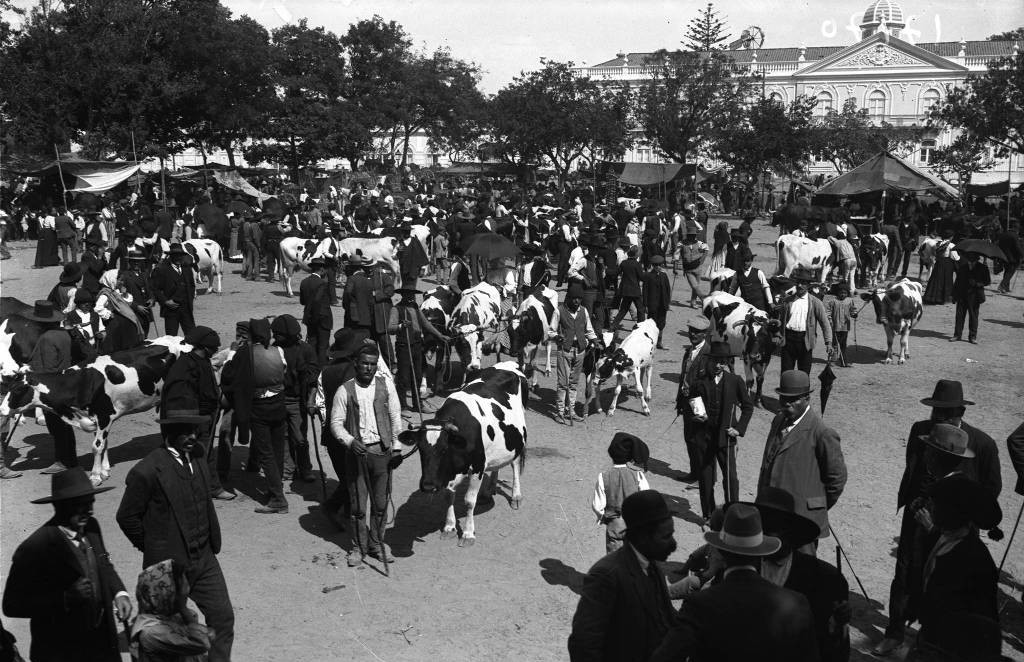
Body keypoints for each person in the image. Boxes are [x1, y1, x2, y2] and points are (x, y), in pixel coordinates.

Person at [875, 381, 1002, 656]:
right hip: (917, 516)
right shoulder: (920, 431)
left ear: (960, 414)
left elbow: (991, 489)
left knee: (945, 583)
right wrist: (914, 503)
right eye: (936, 412)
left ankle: (931, 639)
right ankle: (895, 632)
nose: (938, 419)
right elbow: (913, 468)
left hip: (955, 528)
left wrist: (962, 513)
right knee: (905, 573)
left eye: (944, 414)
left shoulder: (983, 444)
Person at [116, 411, 234, 662]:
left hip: (204, 557)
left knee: (222, 618)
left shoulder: (199, 455)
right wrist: (153, 546)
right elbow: (126, 517)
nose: (193, 436)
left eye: (195, 431)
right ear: (169, 434)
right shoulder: (146, 470)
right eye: (185, 432)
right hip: (168, 569)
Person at [650, 503, 819, 662]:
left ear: (721, 551)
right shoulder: (797, 603)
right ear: (762, 553)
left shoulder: (700, 604)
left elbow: (666, 656)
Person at [3, 468, 133, 662]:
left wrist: (119, 593)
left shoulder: (92, 527)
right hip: (61, 651)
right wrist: (64, 598)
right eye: (81, 506)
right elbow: (12, 606)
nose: (90, 511)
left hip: (101, 646)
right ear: (61, 506)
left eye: (91, 503)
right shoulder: (35, 548)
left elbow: (103, 564)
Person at [568, 490, 676, 662]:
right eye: (666, 536)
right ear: (643, 537)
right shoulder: (606, 576)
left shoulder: (653, 566)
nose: (673, 545)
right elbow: (583, 645)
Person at [910, 475, 1002, 661]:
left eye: (936, 505)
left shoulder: (974, 558)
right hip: (934, 639)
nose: (931, 508)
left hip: (953, 650)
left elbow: (982, 621)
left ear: (952, 512)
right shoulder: (946, 538)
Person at [329, 341, 404, 567]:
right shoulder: (345, 390)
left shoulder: (386, 386)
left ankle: (376, 544)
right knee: (358, 507)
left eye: (372, 364)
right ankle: (358, 547)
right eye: (364, 364)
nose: (368, 368)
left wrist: (397, 447)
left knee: (380, 504)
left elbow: (395, 417)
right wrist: (350, 442)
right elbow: (335, 424)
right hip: (357, 456)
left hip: (382, 453)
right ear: (356, 364)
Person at [754, 487, 850, 662]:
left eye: (774, 529)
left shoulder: (824, 578)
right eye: (763, 529)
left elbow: (832, 649)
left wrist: (837, 627)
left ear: (791, 533)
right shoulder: (742, 568)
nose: (767, 536)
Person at [757, 370, 847, 555]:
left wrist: (813, 506)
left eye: (793, 399)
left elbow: (836, 479)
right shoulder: (778, 420)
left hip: (802, 521)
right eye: (783, 398)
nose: (786, 404)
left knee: (801, 575)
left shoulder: (821, 433)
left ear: (806, 398)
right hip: (772, 515)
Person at [220, 318, 290, 514]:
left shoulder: (245, 353)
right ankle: (275, 488)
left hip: (259, 407)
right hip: (279, 403)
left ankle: (278, 499)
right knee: (277, 450)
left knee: (265, 452)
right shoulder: (278, 351)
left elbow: (228, 375)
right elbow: (283, 371)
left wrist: (233, 352)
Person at [311, 328, 370, 529]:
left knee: (346, 476)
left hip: (332, 432)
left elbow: (319, 403)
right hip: (353, 433)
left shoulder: (325, 372)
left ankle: (348, 510)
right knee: (354, 478)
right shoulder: (357, 374)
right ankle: (332, 507)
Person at [689, 341, 754, 520]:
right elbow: (693, 403)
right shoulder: (699, 382)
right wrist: (697, 416)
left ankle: (732, 515)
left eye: (722, 362)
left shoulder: (735, 381)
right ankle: (708, 515)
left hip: (726, 439)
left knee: (730, 479)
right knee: (706, 478)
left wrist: (739, 429)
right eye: (715, 361)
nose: (718, 365)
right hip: (705, 438)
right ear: (709, 361)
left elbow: (748, 407)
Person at [130, 559, 212, 662]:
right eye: (183, 586)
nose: (187, 590)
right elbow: (202, 643)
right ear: (167, 593)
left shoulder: (172, 617)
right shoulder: (152, 633)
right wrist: (183, 608)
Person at [271, 314, 318, 483]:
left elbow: (314, 377)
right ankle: (288, 469)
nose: (274, 337)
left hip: (298, 401)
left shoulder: (305, 350)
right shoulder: (274, 349)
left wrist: (311, 400)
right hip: (279, 400)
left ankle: (305, 468)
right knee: (283, 437)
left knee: (299, 437)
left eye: (278, 334)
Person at [388, 288, 447, 413]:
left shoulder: (415, 307)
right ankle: (403, 406)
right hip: (404, 346)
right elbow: (390, 328)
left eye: (412, 295)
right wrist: (400, 326)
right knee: (404, 377)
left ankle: (417, 404)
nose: (411, 297)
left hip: (417, 345)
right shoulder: (396, 309)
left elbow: (425, 323)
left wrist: (439, 335)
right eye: (409, 295)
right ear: (403, 295)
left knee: (418, 376)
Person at [591, 433, 651, 553]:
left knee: (615, 562)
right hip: (635, 525)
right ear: (631, 457)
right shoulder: (637, 474)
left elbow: (598, 506)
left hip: (615, 526)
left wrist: (603, 518)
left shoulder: (604, 476)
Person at [554, 283, 600, 424]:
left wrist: (596, 340)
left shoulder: (584, 311)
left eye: (579, 298)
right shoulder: (559, 311)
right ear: (569, 298)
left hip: (580, 350)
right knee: (563, 383)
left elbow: (589, 329)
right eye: (574, 298)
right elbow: (551, 330)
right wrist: (557, 337)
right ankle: (560, 412)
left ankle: (571, 411)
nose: (577, 301)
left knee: (573, 382)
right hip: (565, 350)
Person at [778, 268, 833, 378]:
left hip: (805, 341)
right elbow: (780, 320)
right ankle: (785, 395)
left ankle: (803, 395)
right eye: (798, 282)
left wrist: (829, 342)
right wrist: (777, 336)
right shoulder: (787, 301)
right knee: (786, 373)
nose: (800, 285)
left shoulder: (815, 302)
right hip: (788, 340)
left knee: (804, 373)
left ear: (808, 286)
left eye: (803, 283)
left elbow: (824, 323)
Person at [676, 316, 712, 483]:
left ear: (705, 334)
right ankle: (694, 473)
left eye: (697, 332)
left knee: (700, 441)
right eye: (691, 331)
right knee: (689, 438)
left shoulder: (709, 354)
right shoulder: (689, 351)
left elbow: (709, 384)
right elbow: (683, 377)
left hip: (700, 404)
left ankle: (703, 477)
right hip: (687, 402)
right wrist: (679, 401)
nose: (692, 334)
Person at [151, 243, 196, 336]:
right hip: (171, 310)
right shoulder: (162, 270)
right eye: (176, 256)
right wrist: (166, 302)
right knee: (171, 337)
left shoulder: (187, 268)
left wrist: (189, 299)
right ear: (171, 256)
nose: (178, 258)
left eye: (180, 256)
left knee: (192, 335)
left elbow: (192, 286)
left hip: (186, 309)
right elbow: (155, 289)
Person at [95, 269, 143, 353]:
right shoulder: (105, 294)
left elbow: (126, 303)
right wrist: (109, 314)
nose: (121, 282)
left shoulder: (114, 292)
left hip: (121, 321)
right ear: (111, 280)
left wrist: (124, 294)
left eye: (121, 280)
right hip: (114, 324)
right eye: (119, 279)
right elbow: (97, 308)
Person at [300, 257, 333, 365]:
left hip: (309, 318)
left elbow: (302, 301)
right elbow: (318, 301)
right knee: (323, 346)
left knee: (312, 343)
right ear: (322, 269)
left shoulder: (304, 282)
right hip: (322, 318)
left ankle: (311, 367)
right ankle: (322, 370)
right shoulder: (322, 283)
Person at [951, 251, 990, 343]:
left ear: (977, 258)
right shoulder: (963, 267)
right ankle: (957, 335)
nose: (970, 259)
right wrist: (954, 295)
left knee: (973, 316)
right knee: (959, 316)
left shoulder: (983, 268)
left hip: (975, 295)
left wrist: (977, 284)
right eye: (969, 257)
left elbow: (987, 281)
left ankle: (972, 337)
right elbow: (957, 282)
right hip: (962, 295)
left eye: (973, 257)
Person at [611, 246, 645, 329]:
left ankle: (613, 325)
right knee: (640, 309)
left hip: (625, 290)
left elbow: (616, 273)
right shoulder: (637, 264)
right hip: (635, 290)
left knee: (623, 310)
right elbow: (641, 277)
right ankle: (641, 326)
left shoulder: (624, 263)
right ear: (636, 255)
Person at [823, 283, 856, 367]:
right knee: (834, 344)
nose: (843, 294)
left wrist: (854, 314)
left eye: (845, 293)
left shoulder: (850, 301)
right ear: (837, 293)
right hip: (835, 326)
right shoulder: (833, 301)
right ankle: (832, 360)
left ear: (847, 293)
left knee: (843, 344)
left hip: (845, 327)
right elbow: (828, 313)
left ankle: (843, 361)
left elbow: (852, 310)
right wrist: (830, 321)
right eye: (841, 292)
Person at [642, 255, 671, 349]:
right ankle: (650, 341)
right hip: (652, 304)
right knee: (652, 323)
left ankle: (659, 341)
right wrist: (645, 304)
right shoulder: (648, 276)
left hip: (662, 304)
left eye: (659, 265)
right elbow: (645, 291)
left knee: (661, 323)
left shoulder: (664, 276)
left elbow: (668, 290)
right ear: (653, 266)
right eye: (656, 265)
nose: (658, 267)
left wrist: (668, 302)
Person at [923, 232, 957, 305]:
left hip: (939, 263)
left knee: (936, 279)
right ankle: (943, 298)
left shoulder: (938, 244)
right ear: (951, 237)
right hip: (947, 263)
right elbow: (955, 257)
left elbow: (935, 253)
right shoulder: (951, 245)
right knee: (946, 280)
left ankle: (932, 297)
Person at [995, 221, 1022, 293]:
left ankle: (1006, 287)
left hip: (1003, 256)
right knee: (1010, 272)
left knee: (1007, 272)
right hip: (1012, 258)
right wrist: (1022, 255)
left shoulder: (1004, 234)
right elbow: (1017, 247)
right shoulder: (1014, 235)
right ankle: (1001, 286)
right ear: (1016, 228)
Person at [832, 230, 858, 294]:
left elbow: (829, 238)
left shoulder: (838, 242)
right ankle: (852, 290)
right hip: (854, 260)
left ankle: (844, 291)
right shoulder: (848, 242)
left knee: (845, 278)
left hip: (847, 260)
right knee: (851, 276)